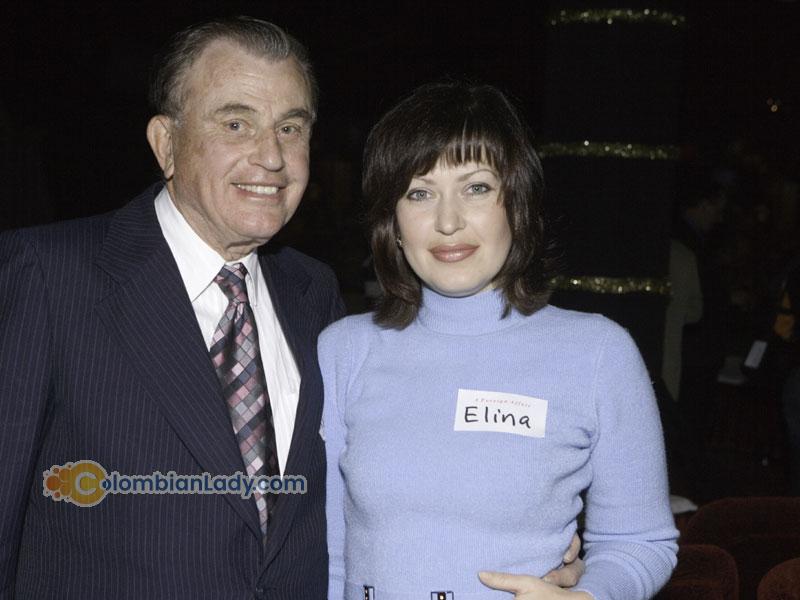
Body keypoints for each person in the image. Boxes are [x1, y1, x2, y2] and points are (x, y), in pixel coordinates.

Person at [0, 17, 345, 599]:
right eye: (236, 123)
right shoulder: (47, 275)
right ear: (166, 144)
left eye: (290, 127)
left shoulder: (314, 292)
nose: (272, 156)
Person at [320, 82, 678, 599]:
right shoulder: (344, 350)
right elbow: (328, 555)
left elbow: (640, 542)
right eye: (419, 193)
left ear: (517, 203)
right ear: (392, 222)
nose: (447, 221)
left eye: (476, 188)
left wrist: (589, 595)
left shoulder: (597, 353)